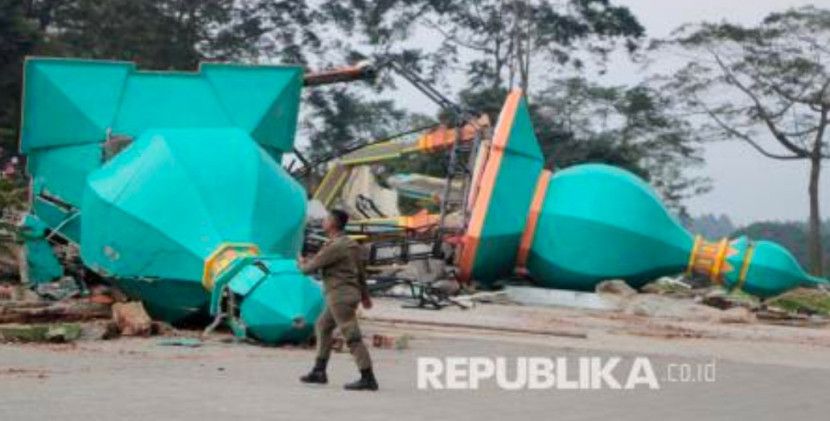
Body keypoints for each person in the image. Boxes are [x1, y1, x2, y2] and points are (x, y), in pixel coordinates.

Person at [298, 209, 378, 391]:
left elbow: (308, 269)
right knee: (322, 326)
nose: (323, 222)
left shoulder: (335, 246)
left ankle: (368, 377)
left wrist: (301, 262)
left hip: (339, 296)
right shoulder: (350, 244)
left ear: (333, 223)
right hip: (346, 294)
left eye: (326, 219)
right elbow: (360, 273)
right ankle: (319, 371)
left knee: (352, 335)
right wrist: (365, 296)